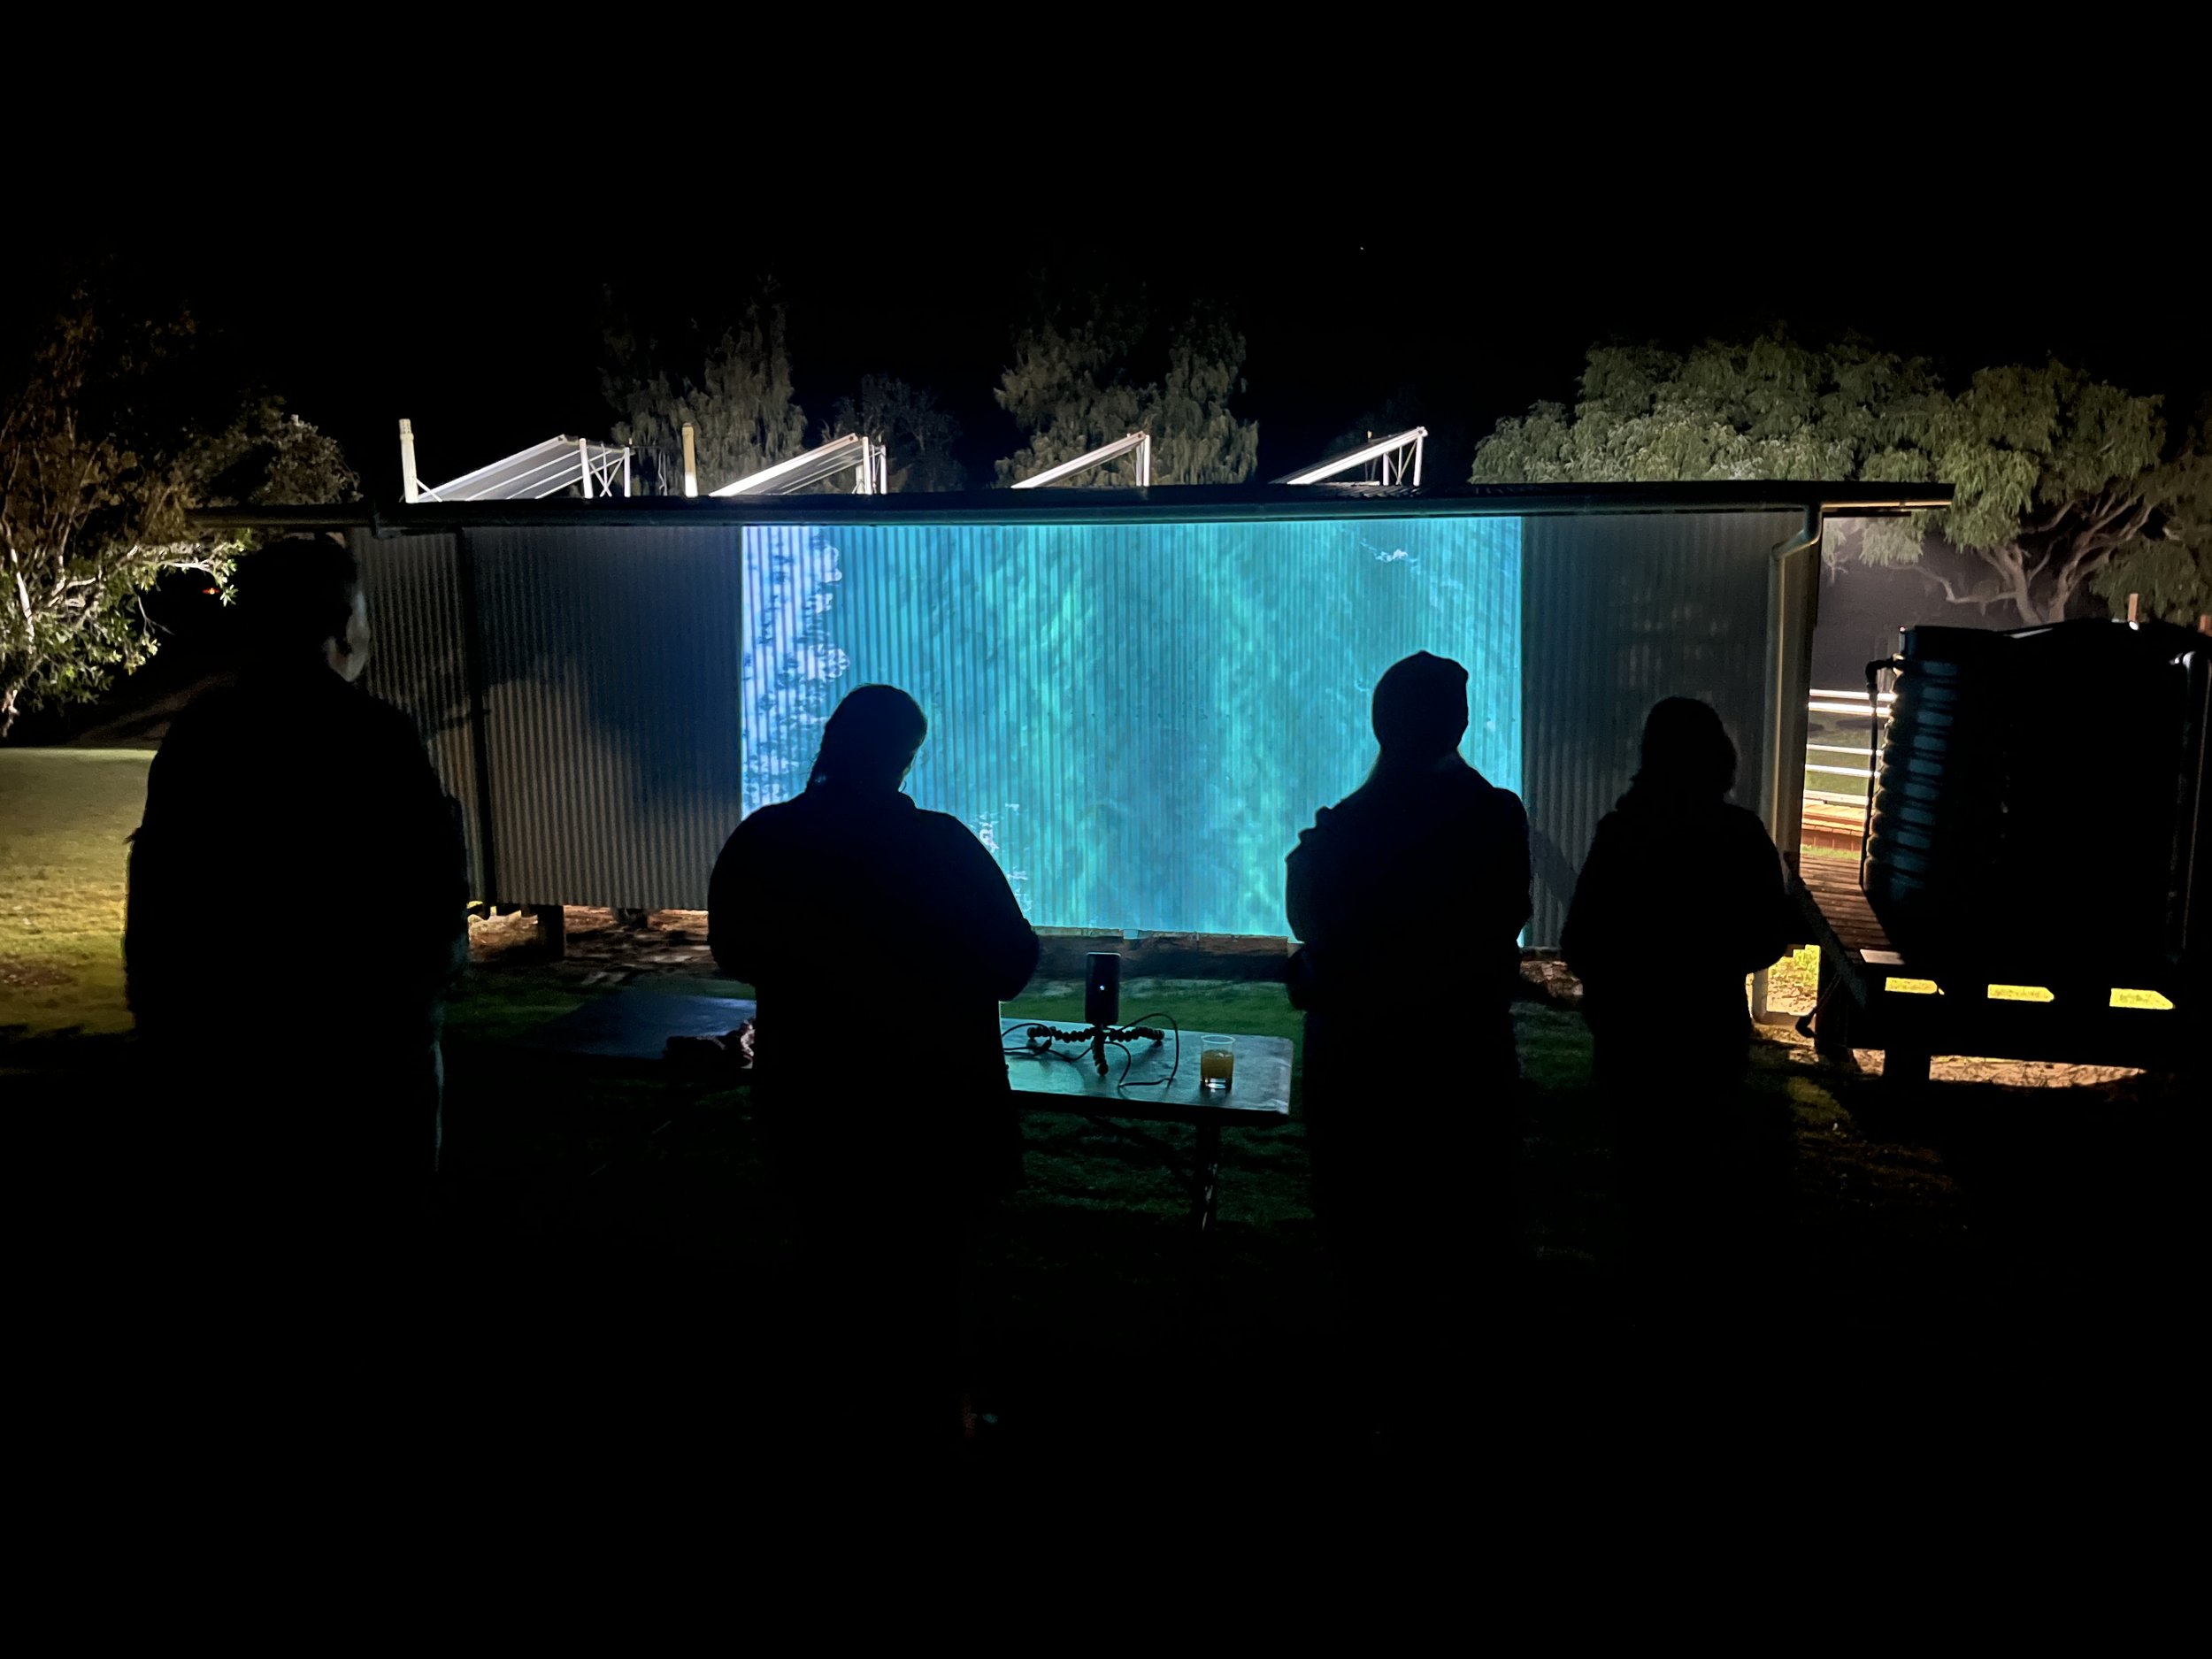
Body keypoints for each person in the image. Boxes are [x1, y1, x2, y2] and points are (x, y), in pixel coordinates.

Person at [125, 537, 468, 1325]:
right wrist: (417, 1011)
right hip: (365, 1071)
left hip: (222, 1071)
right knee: (369, 1255)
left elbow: (158, 901)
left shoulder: (201, 740)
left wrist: (167, 1038)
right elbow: (432, 895)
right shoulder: (377, 739)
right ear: (342, 628)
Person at [709, 684, 1038, 1455]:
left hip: (810, 1104)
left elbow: (734, 949)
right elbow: (1013, 962)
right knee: (932, 1280)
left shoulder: (766, 838)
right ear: (904, 758)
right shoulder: (942, 845)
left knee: (827, 1261)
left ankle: (831, 1415)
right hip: (934, 1109)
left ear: (832, 739)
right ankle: (937, 1423)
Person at [1285, 650, 1532, 1440]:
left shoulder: (1345, 826)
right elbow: (1502, 920)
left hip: (1357, 1065)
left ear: (1381, 725)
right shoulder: (1494, 817)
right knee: (1461, 1239)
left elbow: (1310, 923)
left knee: (1363, 1239)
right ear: (1456, 725)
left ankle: (1368, 1395)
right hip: (1460, 1065)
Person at [1561, 696, 1796, 1323]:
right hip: (1709, 1036)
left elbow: (1579, 941)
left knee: (1637, 1179)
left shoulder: (1622, 832)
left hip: (1630, 1039)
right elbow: (1768, 938)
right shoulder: (1740, 835)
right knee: (1702, 1178)